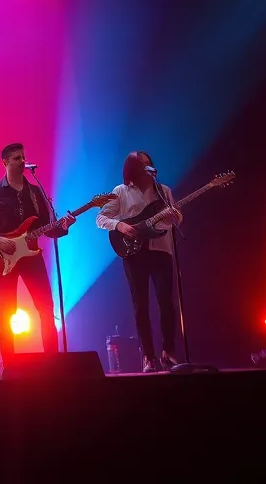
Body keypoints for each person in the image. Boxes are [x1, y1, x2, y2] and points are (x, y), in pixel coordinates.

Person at [0, 143, 73, 361]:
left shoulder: (36, 192)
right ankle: (9, 364)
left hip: (31, 257)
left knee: (46, 307)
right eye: (17, 158)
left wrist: (64, 226)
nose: (22, 161)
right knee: (7, 312)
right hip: (4, 256)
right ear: (5, 162)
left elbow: (48, 228)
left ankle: (53, 362)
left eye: (23, 157)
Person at [96, 151, 185, 372]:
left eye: (148, 164)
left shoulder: (163, 191)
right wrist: (120, 226)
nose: (147, 167)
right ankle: (148, 356)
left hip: (161, 250)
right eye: (141, 164)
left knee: (167, 302)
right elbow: (101, 218)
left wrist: (176, 217)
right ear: (133, 168)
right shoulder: (121, 192)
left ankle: (169, 352)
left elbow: (177, 216)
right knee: (141, 305)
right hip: (135, 254)